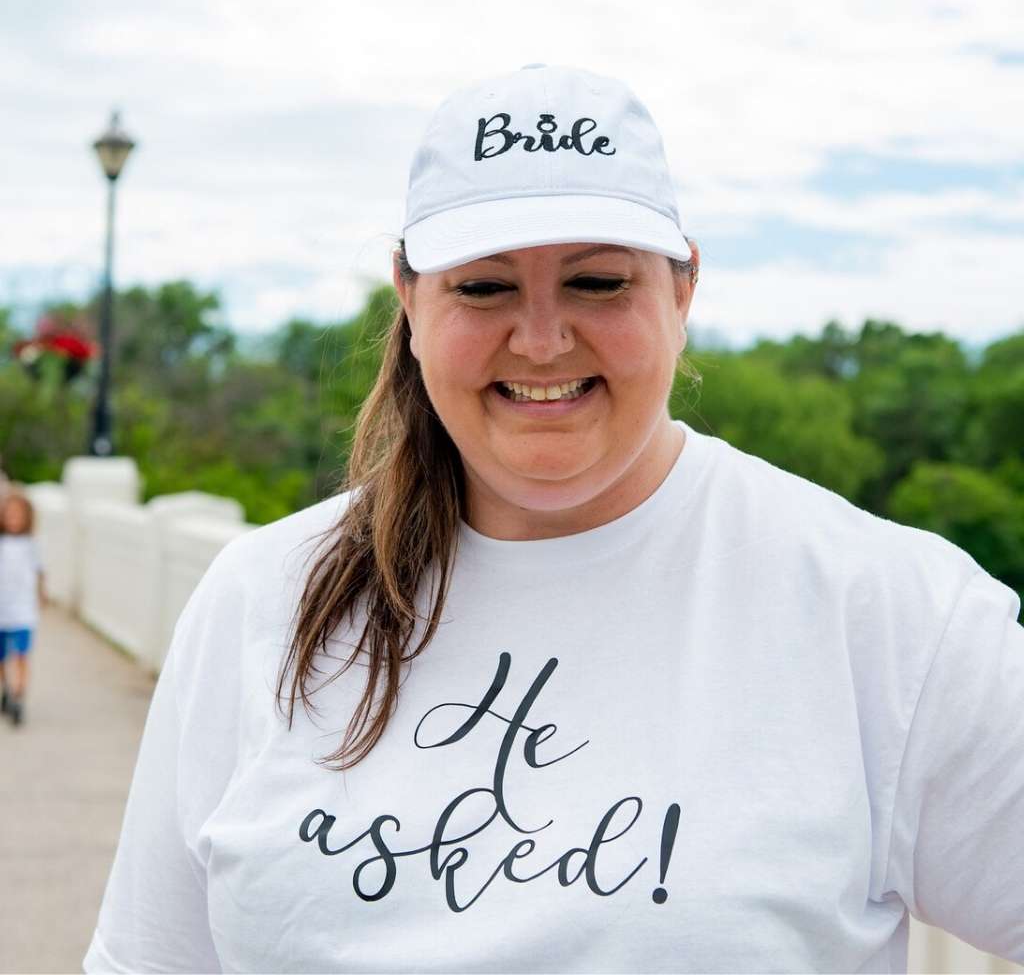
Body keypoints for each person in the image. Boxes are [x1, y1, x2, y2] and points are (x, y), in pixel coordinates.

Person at [83, 65, 1024, 973]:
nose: (540, 341)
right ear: (409, 298)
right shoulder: (264, 598)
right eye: (484, 287)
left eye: (598, 283)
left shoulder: (893, 614)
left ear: (683, 291)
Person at [0, 490, 45, 727]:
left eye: (18, 515)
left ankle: (19, 695)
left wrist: (41, 596)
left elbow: (39, 572)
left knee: (21, 654)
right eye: (9, 515)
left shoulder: (32, 545)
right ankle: (5, 688)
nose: (14, 519)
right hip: (2, 610)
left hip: (23, 611)